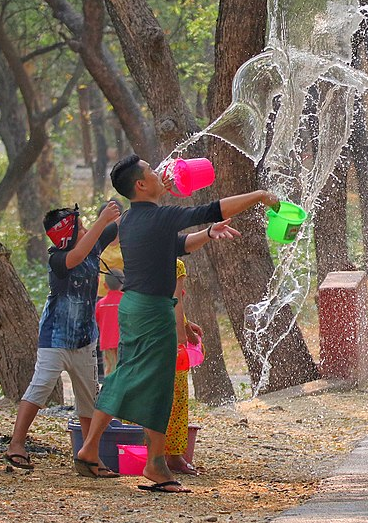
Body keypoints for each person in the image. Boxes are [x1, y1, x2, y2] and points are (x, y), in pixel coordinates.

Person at [74, 154, 278, 492]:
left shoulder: (129, 221)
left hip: (133, 307)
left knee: (124, 375)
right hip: (153, 311)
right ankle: (155, 465)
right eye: (152, 172)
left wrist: (209, 233)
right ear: (140, 184)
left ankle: (89, 448)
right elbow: (211, 208)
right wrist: (258, 195)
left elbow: (179, 246)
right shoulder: (160, 216)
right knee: (159, 386)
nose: (160, 175)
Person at [3, 200, 122, 471]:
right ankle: (16, 445)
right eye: (80, 227)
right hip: (55, 338)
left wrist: (144, 194)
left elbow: (119, 224)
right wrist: (102, 221)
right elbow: (76, 257)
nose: (87, 229)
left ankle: (89, 455)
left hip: (85, 340)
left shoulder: (93, 247)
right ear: (65, 234)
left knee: (89, 398)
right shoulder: (57, 258)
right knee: (41, 386)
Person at [165, 259, 197, 475]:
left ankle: (143, 451)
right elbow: (174, 301)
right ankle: (174, 457)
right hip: (167, 336)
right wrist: (182, 336)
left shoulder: (137, 253)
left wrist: (186, 325)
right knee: (175, 397)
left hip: (140, 328)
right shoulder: (175, 265)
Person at [95, 267, 124, 376]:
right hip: (124, 342)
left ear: (105, 285)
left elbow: (97, 321)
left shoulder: (101, 304)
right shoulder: (125, 301)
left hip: (107, 343)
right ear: (123, 284)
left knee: (110, 371)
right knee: (123, 370)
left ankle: (111, 391)